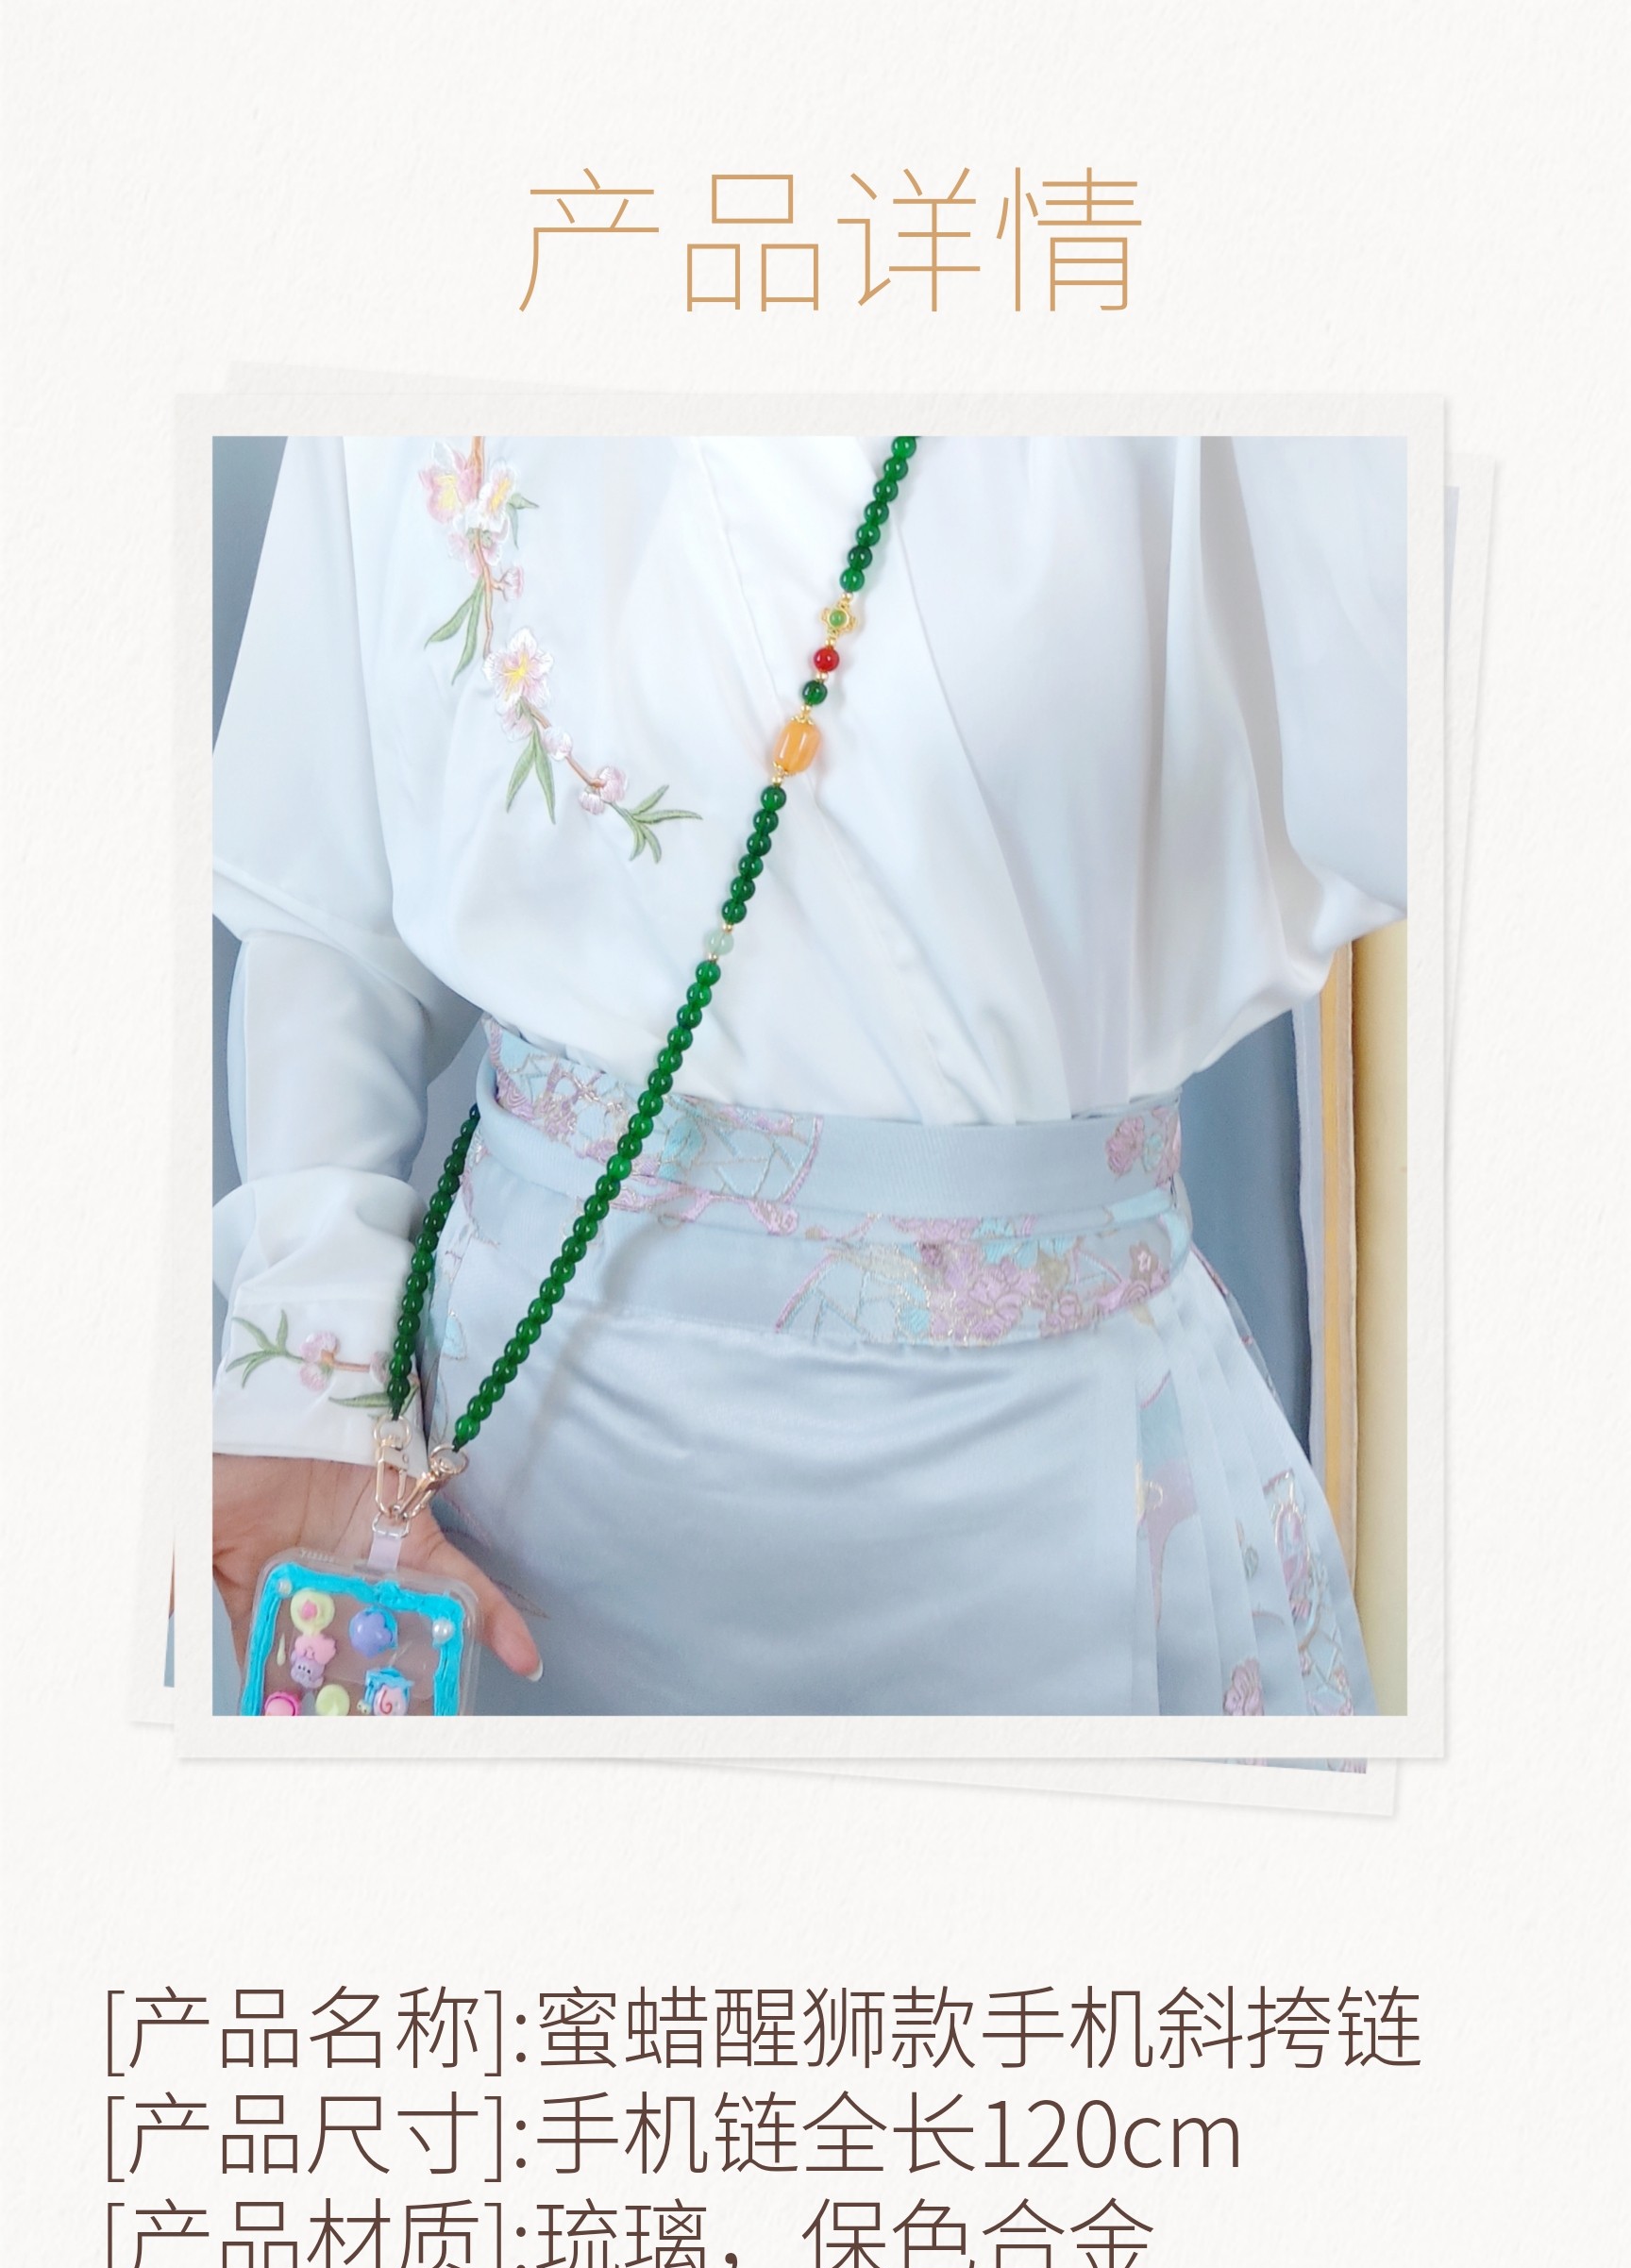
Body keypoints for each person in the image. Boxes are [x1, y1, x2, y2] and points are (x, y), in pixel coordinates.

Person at [213, 432, 1405, 1715]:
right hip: (501, 1513)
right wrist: (309, 1382)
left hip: (1038, 1499)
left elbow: (1420, 770)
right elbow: (325, 915)